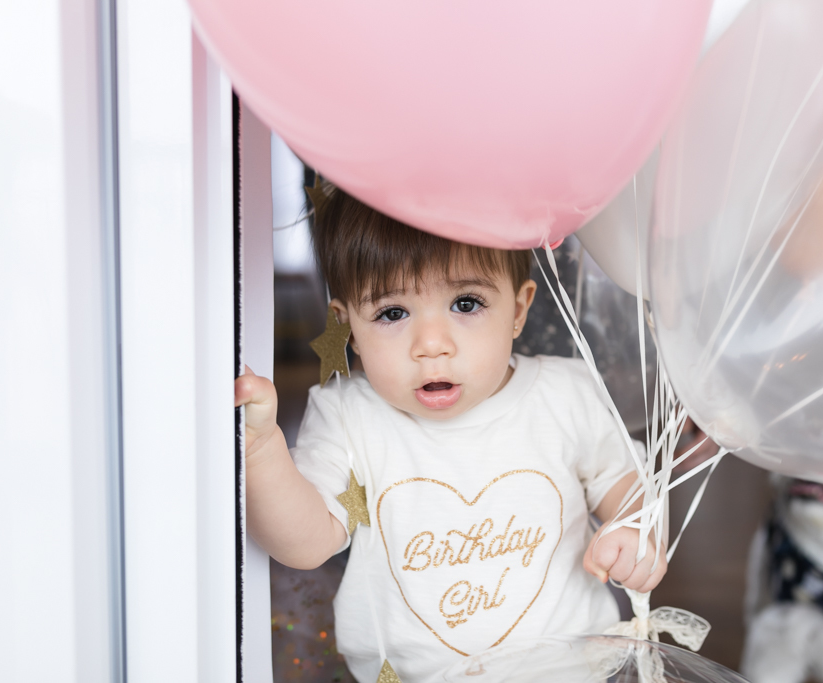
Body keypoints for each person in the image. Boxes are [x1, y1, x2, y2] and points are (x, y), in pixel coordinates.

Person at [235, 185, 665, 682]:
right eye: (392, 313)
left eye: (466, 303)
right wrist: (263, 451)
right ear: (348, 327)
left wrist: (635, 530)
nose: (432, 345)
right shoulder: (349, 416)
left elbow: (628, 485)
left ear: (519, 310)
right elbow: (305, 544)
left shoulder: (564, 395)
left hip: (567, 671)